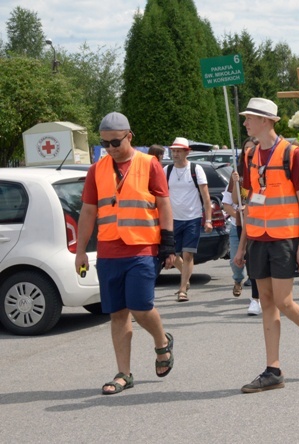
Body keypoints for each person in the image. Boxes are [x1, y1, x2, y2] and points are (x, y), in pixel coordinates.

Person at [75, 112, 175, 395]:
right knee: (118, 314)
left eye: (115, 142)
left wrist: (168, 244)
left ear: (129, 136)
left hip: (142, 248)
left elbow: (164, 206)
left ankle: (161, 342)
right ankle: (123, 374)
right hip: (108, 251)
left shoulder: (150, 164)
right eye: (105, 143)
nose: (110, 148)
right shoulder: (97, 170)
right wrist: (81, 251)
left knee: (141, 307)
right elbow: (88, 212)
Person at [233, 97, 299, 393]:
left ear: (266, 121)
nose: (246, 122)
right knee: (267, 303)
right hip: (258, 239)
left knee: (284, 302)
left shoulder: (291, 153)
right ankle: (273, 369)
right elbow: (250, 201)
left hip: (285, 238)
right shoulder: (249, 156)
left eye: (249, 118)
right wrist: (242, 245)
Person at [164, 137, 213, 302]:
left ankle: (183, 288)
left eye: (179, 151)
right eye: (173, 151)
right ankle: (186, 275)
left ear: (187, 152)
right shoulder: (167, 170)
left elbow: (206, 198)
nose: (175, 154)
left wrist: (208, 220)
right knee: (171, 253)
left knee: (187, 254)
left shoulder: (196, 169)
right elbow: (161, 196)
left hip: (192, 217)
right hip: (173, 219)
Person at [222, 136, 261, 315]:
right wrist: (237, 182)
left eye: (252, 149)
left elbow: (264, 196)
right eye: (246, 149)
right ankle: (246, 287)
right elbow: (234, 201)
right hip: (241, 223)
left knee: (255, 261)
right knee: (240, 259)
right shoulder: (238, 173)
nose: (249, 153)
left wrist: (254, 204)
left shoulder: (262, 170)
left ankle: (257, 297)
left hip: (260, 222)